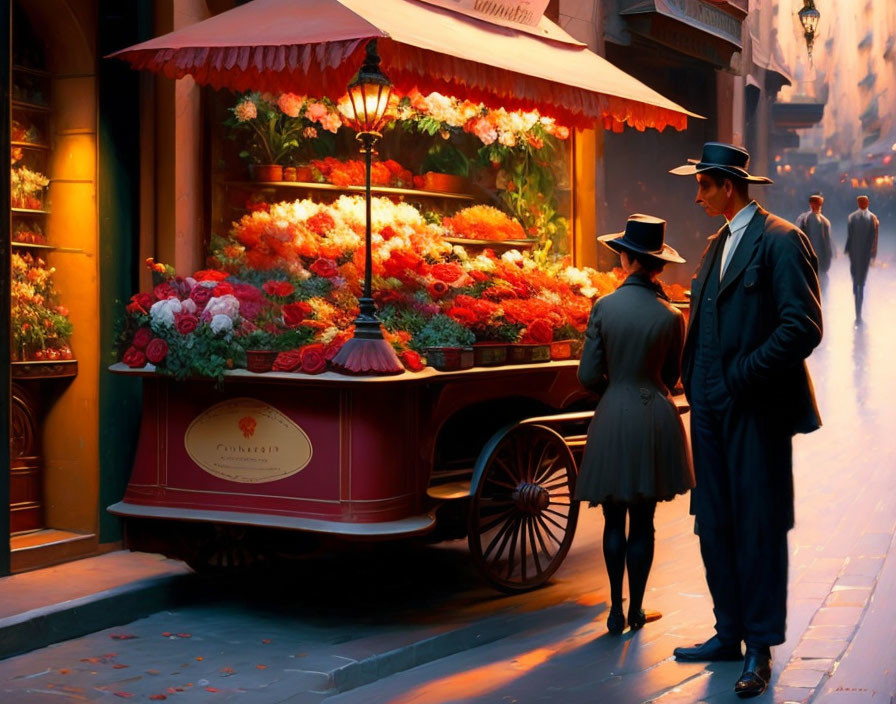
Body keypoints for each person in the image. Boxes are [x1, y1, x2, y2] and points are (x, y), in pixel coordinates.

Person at [669, 143, 822, 698]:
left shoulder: (781, 240)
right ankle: (728, 632)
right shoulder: (716, 245)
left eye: (703, 185)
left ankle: (760, 647)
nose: (697, 194)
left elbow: (802, 327)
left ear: (726, 186)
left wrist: (743, 374)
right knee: (712, 520)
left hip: (754, 408)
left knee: (758, 525)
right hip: (707, 409)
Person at [576, 214, 695, 636]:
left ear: (626, 259)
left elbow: (588, 376)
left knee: (613, 520)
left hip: (613, 415)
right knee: (644, 522)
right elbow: (673, 376)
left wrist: (616, 386)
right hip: (652, 416)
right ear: (659, 265)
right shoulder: (671, 315)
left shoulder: (604, 307)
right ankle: (638, 610)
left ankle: (613, 610)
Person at [845, 194, 878, 323]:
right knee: (855, 276)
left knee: (862, 279)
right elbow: (850, 235)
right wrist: (848, 249)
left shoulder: (872, 218)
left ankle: (859, 309)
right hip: (854, 252)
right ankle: (856, 287)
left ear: (868, 203)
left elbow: (874, 237)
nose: (863, 204)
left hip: (865, 253)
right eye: (861, 202)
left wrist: (873, 252)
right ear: (858, 203)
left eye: (864, 202)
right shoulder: (852, 217)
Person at [796, 193, 833, 290]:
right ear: (811, 204)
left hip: (821, 262)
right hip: (809, 259)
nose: (817, 206)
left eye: (818, 204)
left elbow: (827, 244)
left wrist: (827, 261)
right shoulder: (804, 220)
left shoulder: (825, 222)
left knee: (821, 288)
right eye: (815, 204)